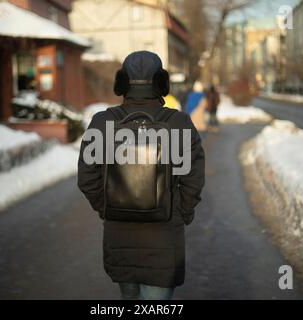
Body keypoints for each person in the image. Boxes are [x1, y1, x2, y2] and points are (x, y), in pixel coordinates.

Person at [77, 51, 205, 300]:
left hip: (119, 239)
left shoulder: (103, 123)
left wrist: (108, 208)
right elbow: (193, 179)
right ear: (161, 83)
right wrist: (181, 212)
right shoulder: (179, 123)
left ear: (122, 82)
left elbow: (87, 178)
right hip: (164, 241)